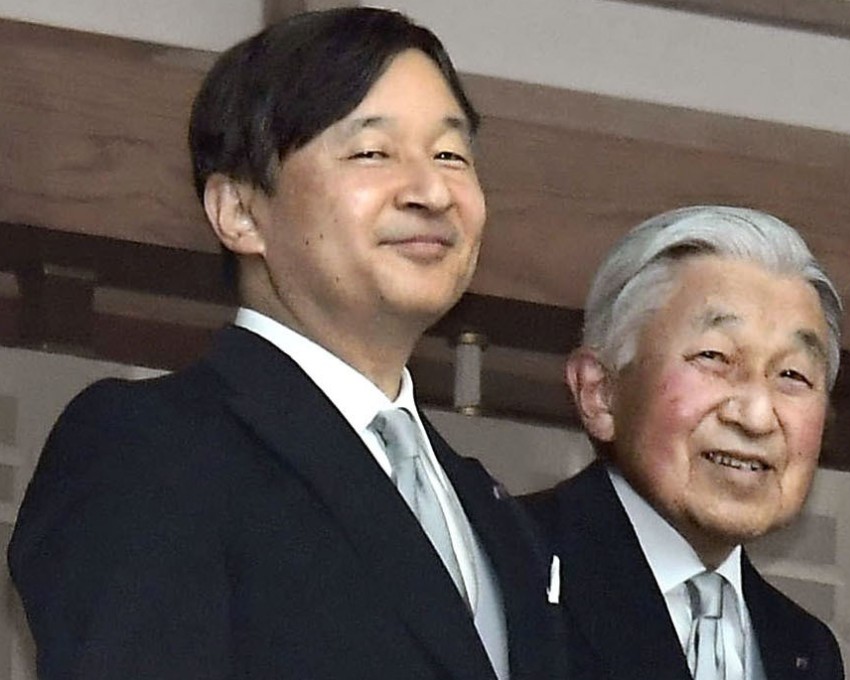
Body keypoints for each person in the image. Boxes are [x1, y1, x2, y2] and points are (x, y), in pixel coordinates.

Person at [9, 8, 563, 680]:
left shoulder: (491, 512)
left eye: (451, 155)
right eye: (373, 152)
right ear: (240, 212)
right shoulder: (151, 445)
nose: (431, 191)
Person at [526, 206, 845, 680]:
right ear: (600, 392)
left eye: (792, 375)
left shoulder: (806, 650)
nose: (757, 416)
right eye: (714, 357)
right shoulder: (508, 565)